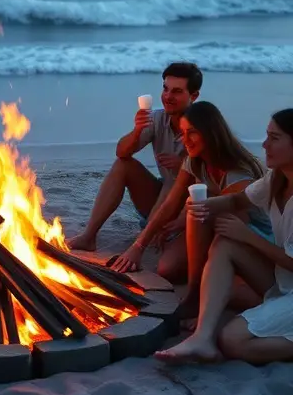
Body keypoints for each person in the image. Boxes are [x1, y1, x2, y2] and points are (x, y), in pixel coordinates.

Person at [156, 109, 293, 365]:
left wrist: (248, 237)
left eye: (274, 138)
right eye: (266, 136)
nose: (264, 145)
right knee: (225, 242)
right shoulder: (276, 179)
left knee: (232, 341)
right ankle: (202, 337)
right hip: (283, 281)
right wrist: (202, 206)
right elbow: (236, 199)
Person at [111, 102, 271, 301]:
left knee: (200, 211)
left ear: (211, 133)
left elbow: (232, 220)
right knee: (167, 268)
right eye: (183, 132)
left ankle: (199, 290)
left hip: (253, 237)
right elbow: (170, 202)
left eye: (192, 133)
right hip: (215, 224)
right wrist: (138, 246)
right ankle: (207, 277)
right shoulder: (194, 160)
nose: (185, 140)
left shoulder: (238, 174)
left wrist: (184, 219)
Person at [69, 62, 203, 259]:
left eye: (176, 91)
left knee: (176, 182)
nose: (167, 96)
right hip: (161, 197)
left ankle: (147, 237)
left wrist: (186, 167)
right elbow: (121, 152)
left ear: (194, 96)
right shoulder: (158, 119)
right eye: (165, 89)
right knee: (123, 165)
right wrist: (138, 130)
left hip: (190, 207)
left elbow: (214, 181)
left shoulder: (204, 124)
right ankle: (89, 236)